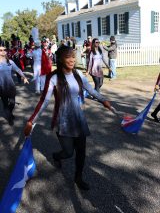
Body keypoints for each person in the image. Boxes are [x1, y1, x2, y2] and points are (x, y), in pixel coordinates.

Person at [24, 45, 112, 191]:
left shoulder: (77, 73)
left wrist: (103, 100)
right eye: (68, 56)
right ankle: (57, 156)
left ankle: (78, 178)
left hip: (78, 119)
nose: (72, 59)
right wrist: (31, 120)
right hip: (62, 121)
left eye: (73, 56)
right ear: (60, 59)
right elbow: (44, 101)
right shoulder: (53, 77)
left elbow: (90, 89)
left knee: (81, 152)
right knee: (68, 152)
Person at [0, 46, 29, 125]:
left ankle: (9, 112)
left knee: (12, 103)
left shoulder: (10, 62)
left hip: (11, 86)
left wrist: (24, 77)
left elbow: (18, 69)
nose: (3, 51)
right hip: (1, 87)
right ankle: (9, 118)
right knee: (5, 104)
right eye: (0, 50)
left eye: (4, 50)